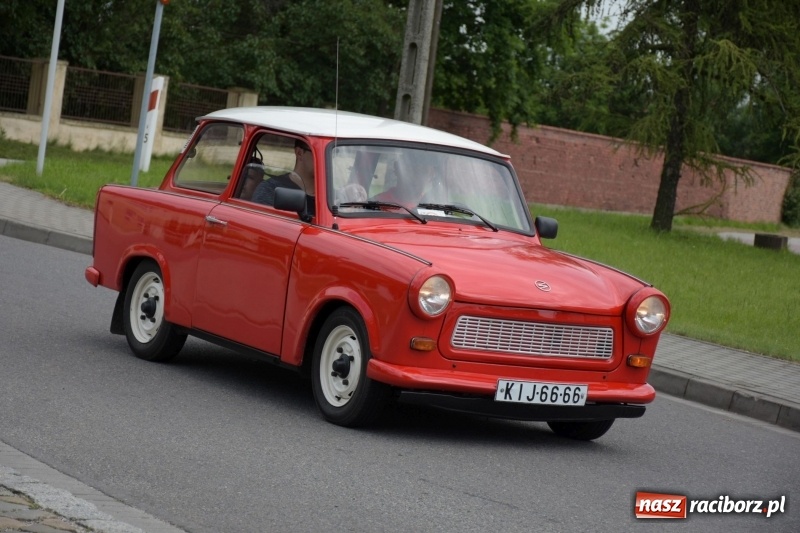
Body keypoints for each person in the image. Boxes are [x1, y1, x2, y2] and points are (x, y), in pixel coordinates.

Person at [252, 139, 316, 213]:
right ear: (299, 153)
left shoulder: (327, 195)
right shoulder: (270, 189)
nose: (324, 160)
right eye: (316, 153)